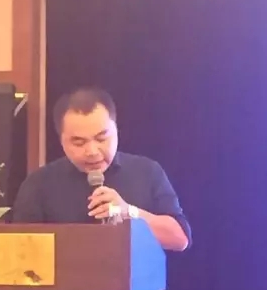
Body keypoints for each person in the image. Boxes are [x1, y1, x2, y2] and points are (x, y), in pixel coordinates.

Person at [12, 88, 190, 251]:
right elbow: (20, 249)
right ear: (61, 141)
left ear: (116, 131)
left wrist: (129, 212)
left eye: (101, 138)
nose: (92, 151)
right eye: (79, 142)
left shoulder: (147, 172)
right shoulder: (39, 184)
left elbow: (179, 239)